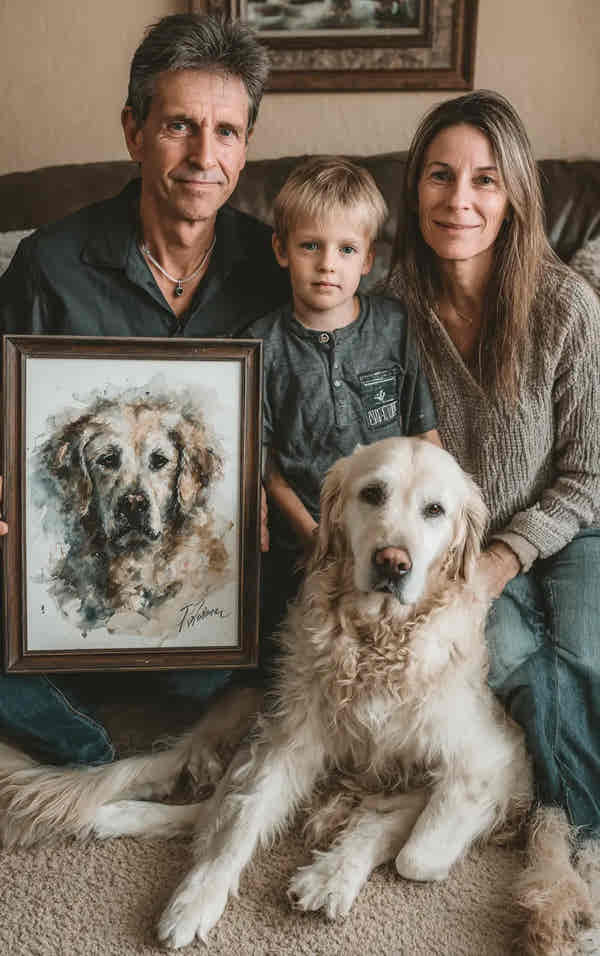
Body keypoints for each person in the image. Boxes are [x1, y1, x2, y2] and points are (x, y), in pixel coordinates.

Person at [0, 14, 289, 766]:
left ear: (246, 145)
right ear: (134, 132)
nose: (204, 155)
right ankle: (79, 734)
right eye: (180, 126)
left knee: (254, 647)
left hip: (219, 583)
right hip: (61, 571)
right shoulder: (50, 265)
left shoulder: (282, 268)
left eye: (227, 131)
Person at [385, 89, 600, 837]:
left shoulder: (566, 305)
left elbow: (590, 475)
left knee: (584, 656)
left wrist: (506, 557)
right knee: (513, 666)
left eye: (484, 180)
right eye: (440, 176)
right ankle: (575, 835)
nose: (460, 200)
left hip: (571, 528)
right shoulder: (390, 313)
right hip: (458, 545)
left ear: (514, 195)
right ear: (414, 191)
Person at [247, 156, 440, 657]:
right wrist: (316, 537)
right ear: (281, 249)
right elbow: (265, 467)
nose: (328, 263)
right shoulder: (258, 344)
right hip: (303, 543)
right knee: (295, 656)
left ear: (368, 259)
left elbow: (425, 439)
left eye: (346, 249)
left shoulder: (395, 327)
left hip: (387, 532)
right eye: (311, 245)